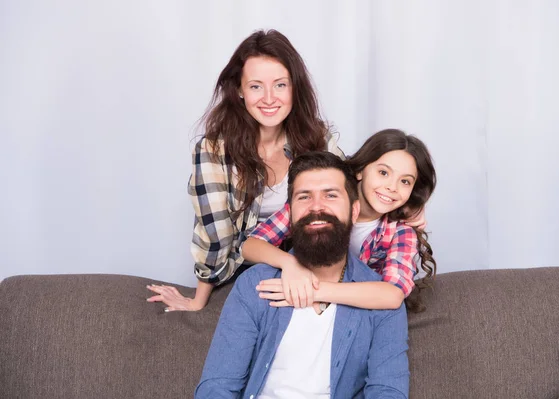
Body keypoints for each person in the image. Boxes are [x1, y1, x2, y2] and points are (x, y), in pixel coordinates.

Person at [146, 29, 345, 311]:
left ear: (294, 87)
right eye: (255, 86)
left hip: (317, 259)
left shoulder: (318, 138)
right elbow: (217, 233)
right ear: (239, 90)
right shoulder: (213, 151)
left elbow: (351, 194)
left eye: (280, 85)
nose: (268, 98)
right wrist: (198, 300)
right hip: (253, 266)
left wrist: (408, 211)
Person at [196, 152, 409, 398]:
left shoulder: (380, 300)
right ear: (291, 213)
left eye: (330, 195)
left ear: (354, 210)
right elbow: (217, 387)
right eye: (304, 197)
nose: (317, 207)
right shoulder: (255, 286)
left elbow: (388, 391)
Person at [243, 128, 436, 312]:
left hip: (352, 306)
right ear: (361, 170)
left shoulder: (401, 231)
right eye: (383, 173)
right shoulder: (320, 203)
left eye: (405, 181)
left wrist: (313, 291)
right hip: (301, 297)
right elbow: (250, 245)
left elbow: (393, 294)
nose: (392, 187)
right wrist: (290, 264)